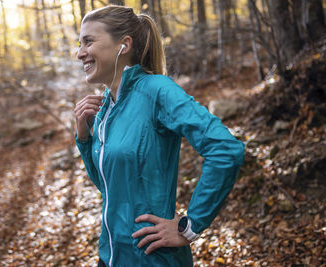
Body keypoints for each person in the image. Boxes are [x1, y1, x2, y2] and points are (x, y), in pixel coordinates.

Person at [74, 5, 245, 267]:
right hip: (109, 257)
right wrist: (84, 138)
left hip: (152, 259)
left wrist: (190, 226)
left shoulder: (157, 90)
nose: (79, 53)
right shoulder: (104, 107)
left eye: (88, 41)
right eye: (79, 44)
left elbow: (226, 149)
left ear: (124, 45)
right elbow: (109, 185)